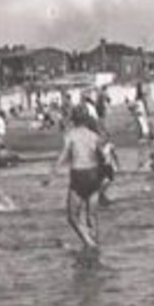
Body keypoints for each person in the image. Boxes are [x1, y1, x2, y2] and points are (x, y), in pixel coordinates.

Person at [49, 105, 105, 247]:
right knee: (92, 215)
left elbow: (63, 156)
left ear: (73, 119)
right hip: (94, 174)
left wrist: (53, 173)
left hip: (79, 175)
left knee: (72, 216)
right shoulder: (94, 136)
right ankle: (95, 245)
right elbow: (102, 156)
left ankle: (89, 243)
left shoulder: (70, 135)